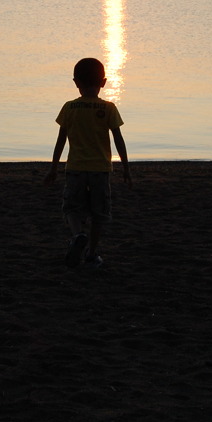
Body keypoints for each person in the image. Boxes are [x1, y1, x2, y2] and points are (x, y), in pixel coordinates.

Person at [44, 57, 132, 268]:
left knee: (72, 209)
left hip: (75, 168)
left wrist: (54, 167)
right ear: (103, 82)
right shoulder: (109, 108)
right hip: (101, 170)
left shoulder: (70, 107)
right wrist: (126, 168)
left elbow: (60, 140)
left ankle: (77, 235)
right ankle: (91, 254)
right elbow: (118, 139)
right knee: (99, 213)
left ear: (76, 82)